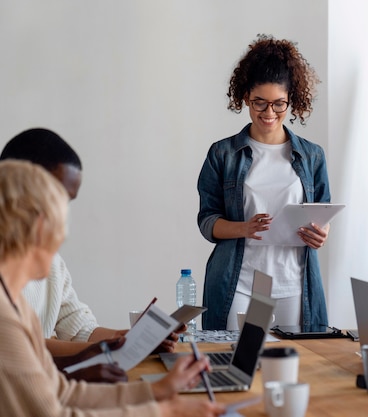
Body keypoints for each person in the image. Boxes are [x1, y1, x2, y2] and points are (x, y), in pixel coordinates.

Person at [0, 159, 225, 416]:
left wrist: (158, 390)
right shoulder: (5, 320)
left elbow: (63, 393)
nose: (62, 238)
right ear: (41, 227)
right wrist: (163, 411)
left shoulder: (16, 306)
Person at [0, 128, 179, 382]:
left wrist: (129, 339)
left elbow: (77, 327)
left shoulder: (51, 264)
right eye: (56, 197)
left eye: (66, 202)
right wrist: (105, 349)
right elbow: (22, 345)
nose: (61, 215)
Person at [197, 34, 331, 330]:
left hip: (294, 281)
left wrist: (321, 233)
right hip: (239, 281)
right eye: (260, 103)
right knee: (235, 363)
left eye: (279, 104)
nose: (269, 113)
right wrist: (244, 228)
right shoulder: (223, 154)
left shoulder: (312, 156)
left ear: (291, 100)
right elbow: (207, 222)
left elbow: (322, 213)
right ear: (246, 97)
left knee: (294, 364)